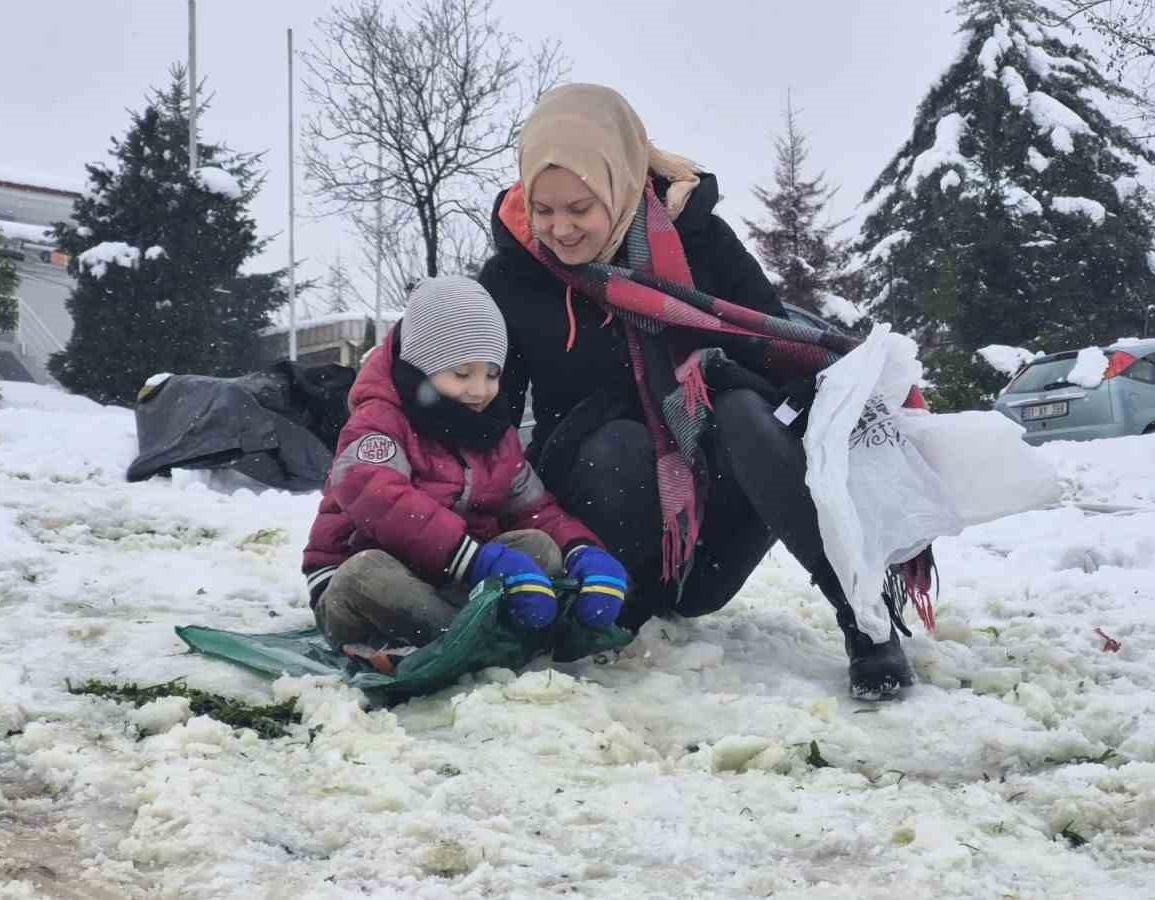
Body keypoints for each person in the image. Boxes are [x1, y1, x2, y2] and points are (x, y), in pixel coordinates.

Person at [478, 83, 921, 698]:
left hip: (712, 529)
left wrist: (727, 378)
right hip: (600, 526)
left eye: (580, 209)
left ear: (621, 181)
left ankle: (863, 617)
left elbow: (775, 346)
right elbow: (485, 412)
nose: (560, 230)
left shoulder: (698, 240)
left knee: (742, 406)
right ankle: (616, 610)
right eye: (544, 209)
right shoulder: (514, 277)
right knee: (619, 442)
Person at [301, 275, 630, 657]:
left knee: (538, 547)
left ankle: (465, 632)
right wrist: (476, 559)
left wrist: (582, 550)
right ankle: (474, 639)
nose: (479, 390)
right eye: (461, 373)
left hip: (449, 577)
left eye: (491, 374)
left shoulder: (492, 432)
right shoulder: (380, 419)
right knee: (368, 574)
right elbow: (374, 494)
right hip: (359, 585)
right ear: (422, 365)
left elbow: (533, 509)